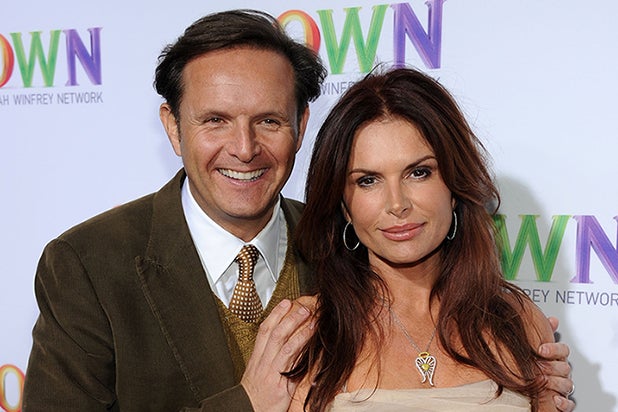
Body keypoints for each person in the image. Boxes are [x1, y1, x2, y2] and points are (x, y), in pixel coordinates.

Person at [21, 9, 574, 412]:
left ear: (301, 125)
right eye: (215, 120)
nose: (244, 149)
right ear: (172, 125)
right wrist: (245, 404)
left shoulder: (349, 242)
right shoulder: (89, 265)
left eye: (268, 121)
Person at [287, 67, 574, 411]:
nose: (397, 204)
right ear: (344, 206)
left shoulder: (517, 321)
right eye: (368, 181)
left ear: (454, 186)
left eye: (419, 172)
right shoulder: (308, 334)